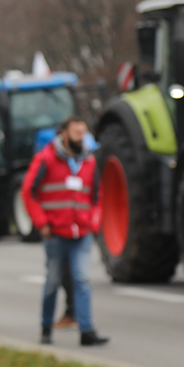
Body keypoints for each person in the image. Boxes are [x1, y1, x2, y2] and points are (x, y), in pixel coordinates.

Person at [22, 116, 108, 347]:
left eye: (84, 133)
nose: (82, 138)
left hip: (82, 233)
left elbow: (97, 196)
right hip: (55, 234)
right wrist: (42, 224)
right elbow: (28, 192)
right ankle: (46, 327)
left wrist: (94, 223)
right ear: (64, 135)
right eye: (77, 133)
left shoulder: (89, 161)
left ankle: (87, 330)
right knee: (52, 281)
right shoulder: (46, 159)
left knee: (82, 280)